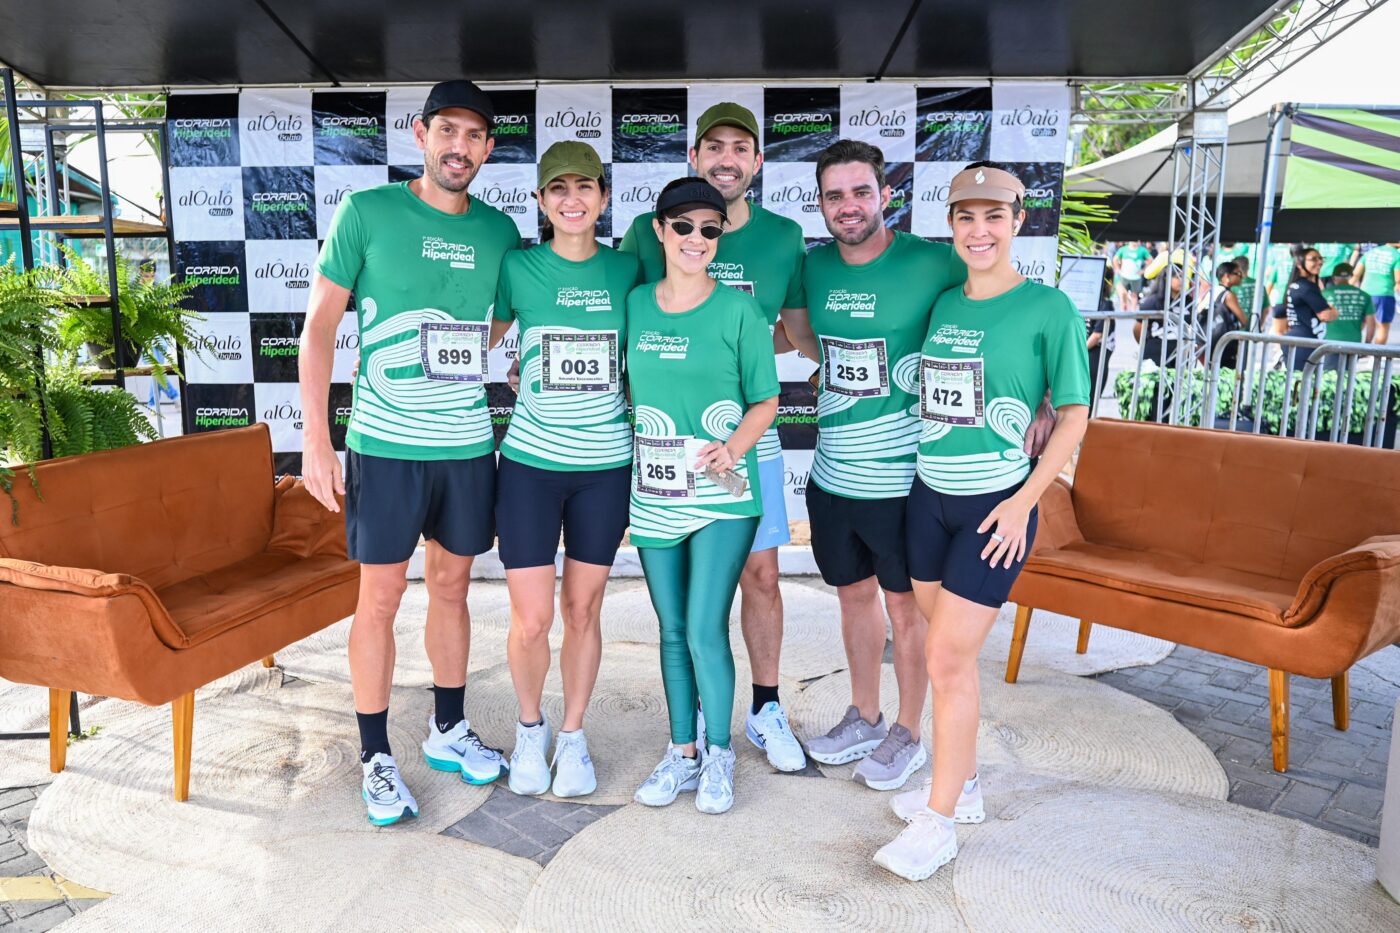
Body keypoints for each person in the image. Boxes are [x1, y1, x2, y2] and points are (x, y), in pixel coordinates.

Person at [299, 81, 520, 826]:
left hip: (462, 446)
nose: (459, 147)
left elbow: (494, 329)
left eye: (475, 136)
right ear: (421, 133)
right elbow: (319, 329)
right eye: (447, 131)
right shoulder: (368, 212)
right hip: (385, 448)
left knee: (454, 587)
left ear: (489, 149)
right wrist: (315, 439)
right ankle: (375, 755)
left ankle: (448, 726)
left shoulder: (500, 232)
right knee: (381, 597)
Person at [871, 161, 1090, 881]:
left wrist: (1026, 498)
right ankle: (959, 786)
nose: (979, 229)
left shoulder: (1048, 307)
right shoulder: (943, 304)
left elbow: (1076, 412)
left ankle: (938, 825)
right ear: (953, 225)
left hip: (996, 511)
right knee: (943, 648)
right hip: (927, 499)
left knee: (948, 660)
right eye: (966, 216)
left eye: (994, 216)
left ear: (1018, 221)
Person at [619, 103, 808, 773]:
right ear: (695, 157)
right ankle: (692, 722)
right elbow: (631, 333)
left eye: (741, 147)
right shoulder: (646, 244)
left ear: (757, 162)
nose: (727, 157)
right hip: (670, 450)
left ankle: (764, 706)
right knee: (687, 607)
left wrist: (744, 352)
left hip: (740, 444)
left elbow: (798, 332)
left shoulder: (785, 236)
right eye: (714, 146)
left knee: (760, 574)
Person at [780, 140, 968, 792]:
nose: (848, 206)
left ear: (885, 194)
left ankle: (908, 732)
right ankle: (864, 713)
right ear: (821, 204)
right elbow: (802, 335)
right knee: (854, 598)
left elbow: (996, 308)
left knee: (906, 611)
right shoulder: (814, 267)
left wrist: (1050, 394)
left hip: (902, 478)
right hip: (833, 475)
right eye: (835, 195)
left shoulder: (934, 261)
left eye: (861, 192)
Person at [488, 141, 642, 798]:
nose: (572, 199)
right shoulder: (517, 268)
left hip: (604, 469)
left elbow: (661, 344)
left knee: (583, 610)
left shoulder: (631, 269)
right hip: (528, 466)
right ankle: (531, 729)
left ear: (604, 198)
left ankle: (574, 736)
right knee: (530, 619)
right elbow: (478, 337)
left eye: (585, 188)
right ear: (542, 202)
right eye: (558, 189)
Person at [627, 178, 780, 815]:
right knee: (670, 632)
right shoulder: (633, 303)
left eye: (710, 230)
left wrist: (735, 447)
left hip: (720, 491)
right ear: (659, 231)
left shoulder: (738, 310)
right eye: (683, 227)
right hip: (655, 490)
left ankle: (719, 755)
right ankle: (682, 751)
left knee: (704, 629)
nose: (696, 239)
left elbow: (766, 399)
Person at [1274, 246, 1338, 372]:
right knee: (1302, 385)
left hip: (1298, 342)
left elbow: (1280, 315)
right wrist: (1334, 311)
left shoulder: (1295, 285)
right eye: (1313, 259)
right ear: (1299, 263)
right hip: (1304, 344)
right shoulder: (1306, 287)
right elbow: (1325, 315)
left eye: (1320, 258)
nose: (1319, 262)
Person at [1133, 264, 1186, 369]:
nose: (1181, 280)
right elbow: (1138, 328)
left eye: (1183, 276)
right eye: (1177, 277)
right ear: (1166, 278)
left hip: (1180, 355)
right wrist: (1146, 344)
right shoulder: (1152, 302)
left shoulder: (1188, 302)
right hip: (1155, 354)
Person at [1353, 242, 1400, 345]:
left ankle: (1355, 350)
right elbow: (1398, 280)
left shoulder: (1370, 252)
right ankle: (1375, 356)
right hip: (1384, 294)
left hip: (1364, 292)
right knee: (1382, 326)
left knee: (1361, 323)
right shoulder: (1397, 255)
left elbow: (1356, 274)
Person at [1208, 261, 1247, 369]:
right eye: (1238, 274)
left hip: (1209, 338)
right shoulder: (1228, 295)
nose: (1241, 277)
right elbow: (1243, 319)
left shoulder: (1211, 291)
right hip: (1225, 341)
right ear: (1226, 276)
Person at [1111, 240, 1151, 311]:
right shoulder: (1123, 249)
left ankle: (1133, 312)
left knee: (1134, 295)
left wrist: (1143, 270)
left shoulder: (1142, 250)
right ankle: (1123, 311)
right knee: (1123, 295)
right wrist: (1118, 269)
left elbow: (1150, 260)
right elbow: (1115, 259)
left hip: (1136, 277)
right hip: (1124, 276)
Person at [1231, 255, 1258, 328]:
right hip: (1254, 327)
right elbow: (1266, 309)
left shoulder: (1233, 286)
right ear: (1248, 267)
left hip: (1238, 329)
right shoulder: (1258, 284)